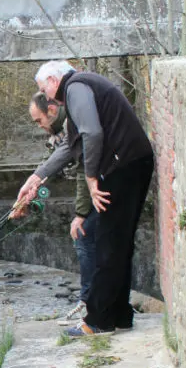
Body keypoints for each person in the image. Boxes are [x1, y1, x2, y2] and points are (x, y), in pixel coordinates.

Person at [14, 60, 154, 337]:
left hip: (121, 168)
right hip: (132, 163)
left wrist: (91, 179)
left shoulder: (76, 88)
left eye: (43, 88)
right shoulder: (83, 87)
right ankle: (119, 315)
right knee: (118, 243)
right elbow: (70, 144)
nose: (45, 94)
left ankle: (98, 321)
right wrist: (37, 177)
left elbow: (92, 132)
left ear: (54, 80)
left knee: (106, 243)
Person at [28, 91, 96, 325]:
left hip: (100, 191)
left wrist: (80, 213)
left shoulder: (72, 126)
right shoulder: (56, 136)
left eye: (39, 120)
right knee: (85, 243)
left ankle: (90, 306)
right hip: (91, 195)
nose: (39, 126)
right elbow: (52, 177)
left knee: (84, 240)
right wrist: (35, 201)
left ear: (52, 111)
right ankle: (90, 304)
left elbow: (81, 172)